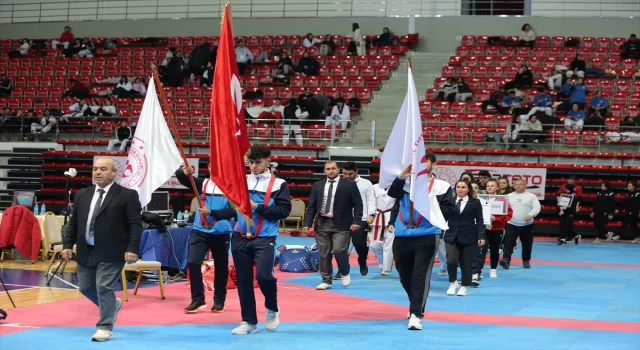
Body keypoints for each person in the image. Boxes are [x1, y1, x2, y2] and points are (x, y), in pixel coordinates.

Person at [61, 158, 142, 342]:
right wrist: (67, 245)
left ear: (115, 173)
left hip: (114, 250)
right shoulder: (82, 194)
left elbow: (135, 224)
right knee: (85, 287)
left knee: (104, 287)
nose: (97, 172)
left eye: (103, 169)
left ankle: (104, 327)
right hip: (86, 250)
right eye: (95, 169)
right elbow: (74, 223)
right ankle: (113, 305)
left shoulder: (127, 195)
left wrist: (132, 248)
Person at [387, 151, 456, 330]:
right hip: (402, 234)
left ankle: (416, 314)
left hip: (427, 234)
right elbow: (392, 194)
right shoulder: (405, 184)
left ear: (433, 164)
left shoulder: (441, 186)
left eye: (425, 162)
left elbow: (450, 209)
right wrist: (402, 176)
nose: (420, 165)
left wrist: (433, 214)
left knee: (420, 275)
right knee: (403, 273)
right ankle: (416, 303)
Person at [230, 145, 292, 335]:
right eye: (251, 163)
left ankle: (272, 308)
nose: (254, 166)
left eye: (258, 162)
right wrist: (213, 214)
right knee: (243, 281)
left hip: (265, 238)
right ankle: (249, 322)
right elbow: (231, 208)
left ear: (268, 161)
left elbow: (283, 211)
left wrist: (257, 207)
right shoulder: (240, 181)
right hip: (239, 237)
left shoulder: (279, 184)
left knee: (264, 276)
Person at [175, 164, 235, 314]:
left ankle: (219, 300)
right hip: (199, 231)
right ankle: (198, 299)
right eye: (211, 166)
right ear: (208, 168)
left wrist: (213, 213)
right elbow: (183, 179)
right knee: (192, 262)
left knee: (221, 267)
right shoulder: (203, 183)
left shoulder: (231, 187)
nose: (214, 168)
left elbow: (234, 211)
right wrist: (182, 172)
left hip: (220, 233)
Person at [303, 161, 363, 290]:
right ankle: (326, 280)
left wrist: (356, 221)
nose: (331, 171)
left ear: (338, 169)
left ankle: (344, 271)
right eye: (328, 169)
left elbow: (358, 204)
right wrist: (307, 223)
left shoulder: (349, 184)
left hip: (342, 223)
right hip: (322, 223)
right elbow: (312, 205)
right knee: (324, 254)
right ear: (325, 171)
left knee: (338, 250)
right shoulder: (318, 185)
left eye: (333, 168)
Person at [334, 162, 376, 278]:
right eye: (345, 174)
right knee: (341, 247)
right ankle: (342, 270)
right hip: (342, 219)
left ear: (356, 171)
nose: (347, 176)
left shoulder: (366, 183)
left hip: (361, 219)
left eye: (350, 174)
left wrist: (372, 214)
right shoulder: (338, 183)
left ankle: (362, 261)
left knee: (359, 244)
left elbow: (371, 200)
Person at [444, 180, 485, 296]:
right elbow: (443, 217)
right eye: (458, 187)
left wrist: (481, 235)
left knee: (466, 262)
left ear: (468, 189)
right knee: (451, 260)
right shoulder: (449, 201)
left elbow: (480, 220)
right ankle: (453, 282)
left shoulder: (475, 202)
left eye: (463, 187)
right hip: (451, 234)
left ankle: (464, 286)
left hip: (469, 236)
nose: (460, 189)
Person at [471, 180, 512, 282]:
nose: (489, 187)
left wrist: (496, 219)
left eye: (492, 186)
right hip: (483, 228)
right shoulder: (480, 199)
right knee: (481, 249)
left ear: (497, 187)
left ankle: (493, 269)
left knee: (494, 249)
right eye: (488, 186)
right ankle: (478, 269)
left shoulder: (503, 200)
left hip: (497, 229)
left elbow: (509, 214)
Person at [499, 178, 540, 269]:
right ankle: (506, 260)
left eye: (520, 184)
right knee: (508, 243)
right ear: (513, 186)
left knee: (527, 244)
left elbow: (537, 207)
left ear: (525, 185)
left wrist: (531, 214)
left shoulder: (531, 196)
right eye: (516, 184)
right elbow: (503, 208)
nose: (518, 186)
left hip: (527, 225)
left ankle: (526, 260)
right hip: (511, 223)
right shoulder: (508, 196)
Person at [369, 183, 396, 275]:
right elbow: (370, 202)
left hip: (391, 217)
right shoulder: (374, 187)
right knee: (374, 244)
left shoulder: (396, 187)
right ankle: (381, 262)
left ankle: (386, 268)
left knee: (389, 245)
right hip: (377, 216)